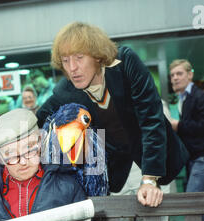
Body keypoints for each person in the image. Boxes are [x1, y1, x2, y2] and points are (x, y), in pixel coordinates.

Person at [37, 21, 189, 204]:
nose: (72, 68)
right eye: (65, 60)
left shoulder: (125, 63)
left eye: (79, 57)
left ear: (97, 56)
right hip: (115, 173)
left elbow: (151, 120)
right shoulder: (66, 90)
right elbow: (36, 120)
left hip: (154, 162)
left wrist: (149, 179)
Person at [169, 59, 204, 221]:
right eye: (172, 75)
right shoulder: (181, 98)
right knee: (198, 207)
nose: (175, 78)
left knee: (191, 206)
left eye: (179, 74)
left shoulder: (199, 96)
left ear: (190, 74)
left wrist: (178, 126)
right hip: (193, 160)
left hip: (201, 159)